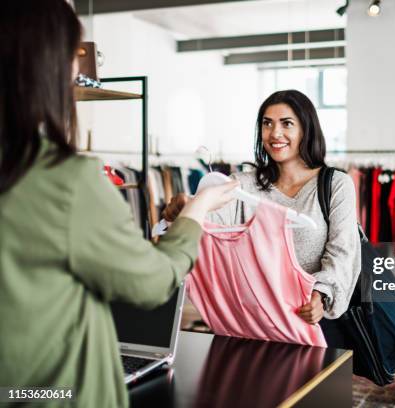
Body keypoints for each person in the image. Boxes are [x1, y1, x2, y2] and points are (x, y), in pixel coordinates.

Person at [0, 1, 238, 406]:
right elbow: (150, 284)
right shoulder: (64, 181)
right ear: (46, 66)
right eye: (74, 55)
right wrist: (197, 209)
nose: (77, 70)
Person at [164, 89, 361, 346]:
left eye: (286, 124)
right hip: (252, 320)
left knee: (314, 385)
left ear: (306, 129)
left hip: (311, 318)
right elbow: (213, 220)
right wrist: (188, 208)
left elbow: (342, 250)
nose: (275, 133)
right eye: (267, 124)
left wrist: (322, 295)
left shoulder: (336, 184)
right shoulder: (243, 184)